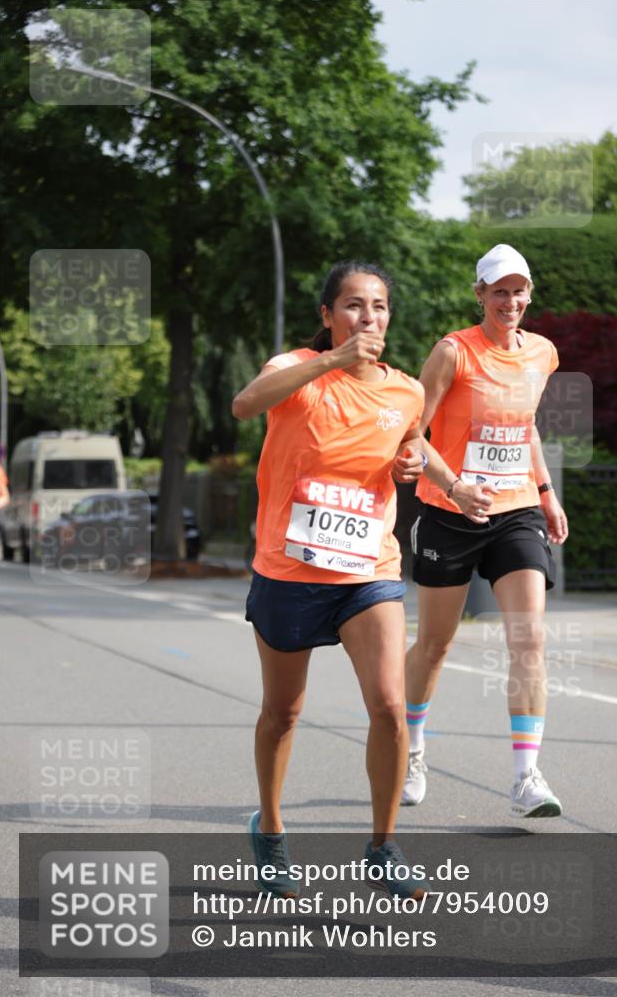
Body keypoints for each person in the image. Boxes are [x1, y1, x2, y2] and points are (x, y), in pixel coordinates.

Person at [232, 261, 429, 900]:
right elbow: (244, 405)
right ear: (328, 315)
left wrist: (420, 467)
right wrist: (331, 361)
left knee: (390, 707)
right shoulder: (295, 369)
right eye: (353, 304)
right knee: (283, 711)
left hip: (368, 571)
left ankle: (383, 845)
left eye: (378, 306)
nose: (368, 316)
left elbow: (414, 446)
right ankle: (270, 829)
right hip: (289, 570)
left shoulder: (406, 391)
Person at [402, 244, 568, 817]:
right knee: (435, 644)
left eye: (519, 291)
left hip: (516, 510)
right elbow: (411, 432)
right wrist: (454, 487)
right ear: (480, 294)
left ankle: (526, 777)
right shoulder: (453, 352)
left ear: (530, 295)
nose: (510, 301)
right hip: (450, 513)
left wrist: (545, 493)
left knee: (529, 638)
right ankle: (411, 750)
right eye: (499, 291)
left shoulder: (542, 353)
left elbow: (526, 428)